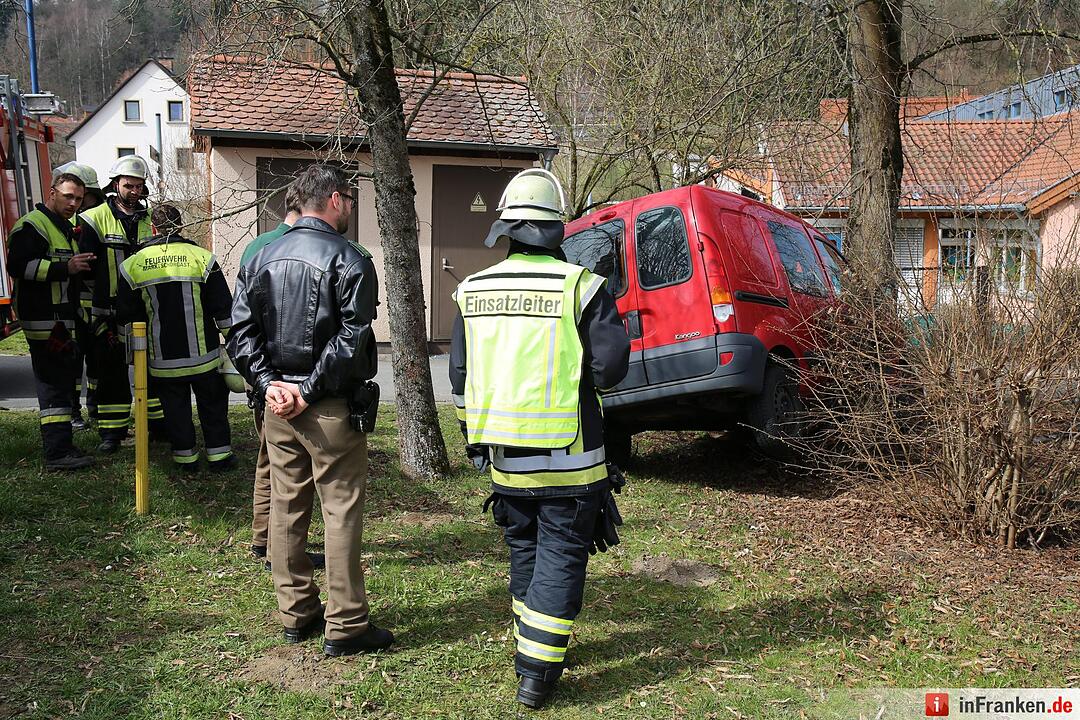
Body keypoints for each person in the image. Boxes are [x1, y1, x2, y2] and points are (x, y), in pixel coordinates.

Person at [449, 168, 630, 709]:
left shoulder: (470, 290)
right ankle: (537, 673)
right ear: (558, 230)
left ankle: (533, 645)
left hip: (503, 459)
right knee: (562, 553)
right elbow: (611, 368)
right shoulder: (583, 286)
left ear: (505, 228)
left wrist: (472, 433)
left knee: (524, 547)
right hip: (571, 460)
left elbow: (459, 376)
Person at [228, 164, 391, 657]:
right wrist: (307, 390)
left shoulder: (260, 255)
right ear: (337, 200)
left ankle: (296, 611)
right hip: (328, 409)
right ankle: (346, 624)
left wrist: (269, 385)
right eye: (352, 200)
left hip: (279, 406)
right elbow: (352, 337)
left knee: (286, 505)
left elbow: (239, 332)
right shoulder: (350, 259)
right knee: (339, 511)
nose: (353, 209)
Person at [237, 185, 321, 568]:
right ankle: (276, 547)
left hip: (264, 378)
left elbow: (243, 323)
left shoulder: (257, 248)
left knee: (267, 460)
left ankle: (261, 538)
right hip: (296, 383)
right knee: (284, 470)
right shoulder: (314, 247)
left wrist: (262, 380)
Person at [116, 204, 235, 471]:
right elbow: (224, 310)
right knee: (213, 406)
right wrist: (235, 346)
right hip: (204, 359)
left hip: (163, 362)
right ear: (180, 227)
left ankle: (186, 458)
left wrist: (136, 361)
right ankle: (219, 456)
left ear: (154, 228)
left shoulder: (131, 266)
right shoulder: (203, 258)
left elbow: (127, 319)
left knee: (175, 410)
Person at [6, 172, 96, 470]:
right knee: (54, 384)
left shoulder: (63, 226)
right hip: (44, 319)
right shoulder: (33, 225)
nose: (74, 203)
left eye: (79, 199)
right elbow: (18, 266)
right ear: (52, 192)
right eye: (68, 196)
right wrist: (65, 267)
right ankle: (57, 453)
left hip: (60, 319)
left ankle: (62, 444)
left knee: (62, 381)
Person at [78, 155, 164, 452]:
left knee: (152, 370)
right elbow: (85, 267)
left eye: (140, 186)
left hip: (145, 309)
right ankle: (112, 434)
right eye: (129, 185)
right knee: (111, 373)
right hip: (109, 311)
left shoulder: (153, 219)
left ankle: (158, 427)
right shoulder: (93, 219)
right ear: (115, 185)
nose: (135, 191)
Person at [53, 161, 106, 429]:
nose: (83, 205)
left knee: (97, 363)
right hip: (69, 308)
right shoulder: (60, 228)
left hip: (96, 308)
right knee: (72, 363)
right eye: (75, 198)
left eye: (88, 198)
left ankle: (95, 409)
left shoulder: (96, 226)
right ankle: (73, 412)